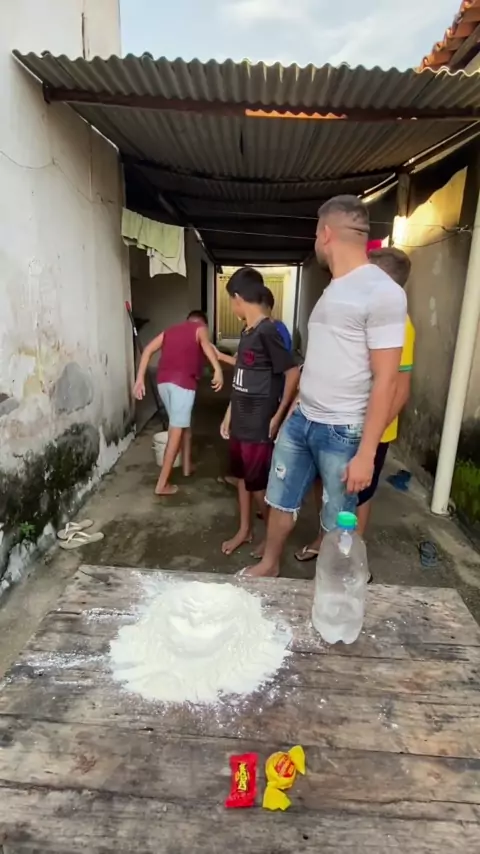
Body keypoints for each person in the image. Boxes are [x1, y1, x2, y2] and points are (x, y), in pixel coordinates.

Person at [242, 195, 407, 578]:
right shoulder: (333, 289)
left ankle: (331, 585)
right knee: (279, 499)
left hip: (343, 429)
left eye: (317, 233)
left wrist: (367, 453)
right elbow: (317, 362)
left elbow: (387, 379)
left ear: (326, 234)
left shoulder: (382, 292)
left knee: (337, 518)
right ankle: (269, 564)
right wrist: (291, 412)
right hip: (304, 419)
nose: (316, 241)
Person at [295, 246, 415, 563]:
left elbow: (400, 389)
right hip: (338, 421)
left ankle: (350, 557)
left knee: (357, 494)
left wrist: (367, 442)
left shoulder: (398, 324)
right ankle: (324, 538)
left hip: (367, 430)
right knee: (328, 486)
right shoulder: (358, 312)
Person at [219, 268, 299, 556]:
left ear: (238, 298)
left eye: (231, 301)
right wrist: (229, 414)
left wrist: (278, 416)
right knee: (242, 478)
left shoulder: (268, 331)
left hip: (259, 423)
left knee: (259, 487)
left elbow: (292, 373)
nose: (232, 307)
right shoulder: (248, 331)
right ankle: (245, 530)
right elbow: (242, 378)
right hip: (241, 421)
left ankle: (270, 537)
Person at [133, 310, 223, 496]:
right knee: (176, 431)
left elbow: (148, 350)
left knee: (182, 425)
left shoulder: (171, 331)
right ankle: (162, 484)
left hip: (163, 383)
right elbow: (207, 348)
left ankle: (186, 467)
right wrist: (218, 370)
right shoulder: (200, 329)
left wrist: (140, 379)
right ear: (203, 325)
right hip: (182, 384)